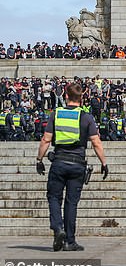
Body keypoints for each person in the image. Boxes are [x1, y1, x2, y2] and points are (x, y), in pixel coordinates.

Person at [35, 83, 109, 251]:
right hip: (77, 164)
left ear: (66, 97)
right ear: (81, 98)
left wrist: (39, 159)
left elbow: (46, 139)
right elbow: (96, 142)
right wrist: (103, 163)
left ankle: (57, 227)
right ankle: (70, 241)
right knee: (71, 203)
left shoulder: (56, 114)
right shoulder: (87, 117)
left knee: (54, 197)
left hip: (59, 161)